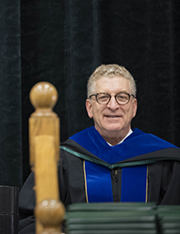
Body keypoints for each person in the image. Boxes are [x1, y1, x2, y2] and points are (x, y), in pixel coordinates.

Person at [18, 64, 180, 233]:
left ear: (134, 107)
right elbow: (29, 221)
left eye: (122, 97)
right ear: (90, 107)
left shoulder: (166, 160)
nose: (112, 105)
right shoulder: (62, 159)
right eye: (103, 97)